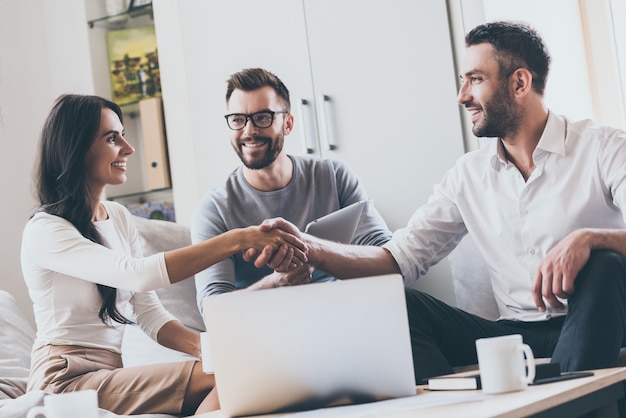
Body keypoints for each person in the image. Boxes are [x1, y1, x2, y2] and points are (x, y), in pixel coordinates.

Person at [252, 20, 626, 384]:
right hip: (516, 336)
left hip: (598, 320)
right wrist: (309, 247)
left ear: (520, 82)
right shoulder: (467, 176)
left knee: (604, 265)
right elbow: (397, 259)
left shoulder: (603, 147)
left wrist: (590, 239)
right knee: (401, 305)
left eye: (475, 79)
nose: (462, 95)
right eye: (463, 81)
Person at [21, 94, 306, 416]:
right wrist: (236, 239)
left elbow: (150, 314)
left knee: (242, 366)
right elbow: (138, 273)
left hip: (109, 373)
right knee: (237, 373)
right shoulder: (45, 231)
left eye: (123, 137)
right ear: (77, 149)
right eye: (112, 139)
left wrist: (214, 351)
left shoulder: (116, 216)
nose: (128, 149)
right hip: (63, 381)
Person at [192, 68, 391, 309]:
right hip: (264, 328)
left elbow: (388, 260)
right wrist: (274, 284)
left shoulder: (334, 177)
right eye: (237, 119)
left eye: (263, 117)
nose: (249, 130)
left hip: (341, 310)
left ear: (288, 123)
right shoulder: (214, 208)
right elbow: (211, 308)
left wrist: (314, 251)